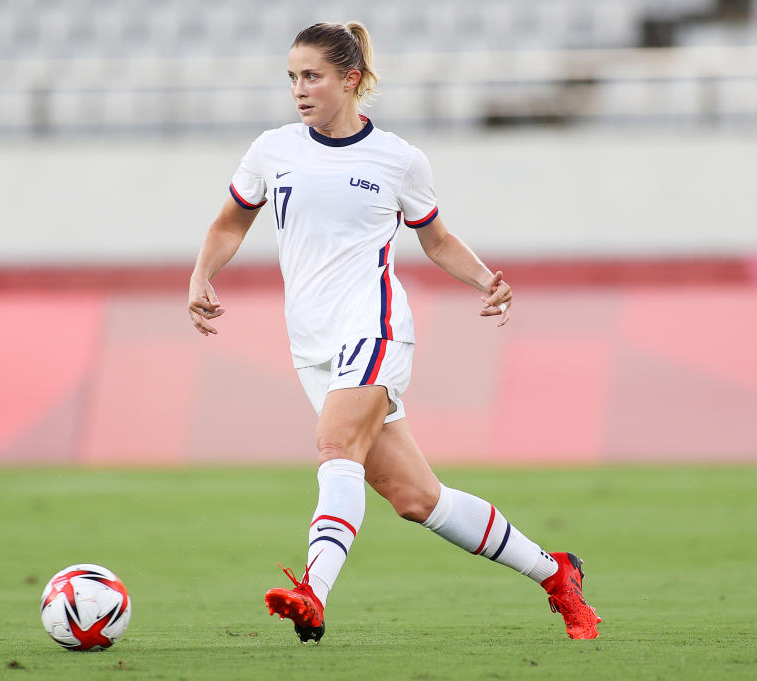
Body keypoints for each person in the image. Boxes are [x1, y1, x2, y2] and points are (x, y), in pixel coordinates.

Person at [187, 21, 600, 642]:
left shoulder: (398, 159)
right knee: (416, 498)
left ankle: (312, 593)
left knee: (334, 448)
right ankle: (555, 573)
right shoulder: (272, 151)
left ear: (350, 79)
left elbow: (434, 238)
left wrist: (487, 279)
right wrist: (201, 276)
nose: (300, 89)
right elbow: (228, 225)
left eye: (313, 76)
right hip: (311, 344)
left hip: (373, 326)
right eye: (293, 77)